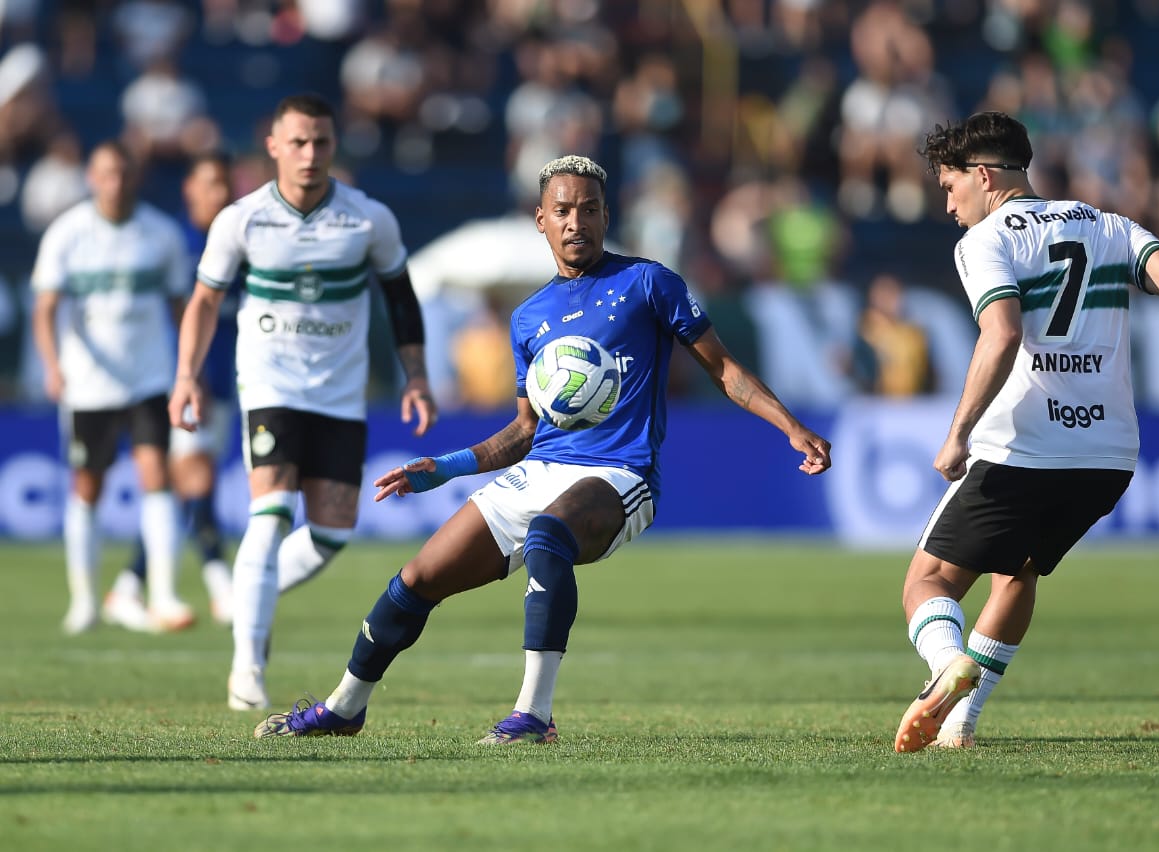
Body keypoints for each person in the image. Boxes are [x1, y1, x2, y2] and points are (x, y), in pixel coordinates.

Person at [252, 154, 833, 742]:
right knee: (415, 579)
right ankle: (344, 709)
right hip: (541, 469)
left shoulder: (649, 283)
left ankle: (533, 715)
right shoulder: (529, 317)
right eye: (562, 211)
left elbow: (726, 370)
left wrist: (790, 426)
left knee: (549, 535)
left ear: (607, 217)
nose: (575, 222)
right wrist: (446, 468)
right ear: (541, 220)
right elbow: (523, 430)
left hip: (620, 474)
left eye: (588, 209)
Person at [893, 112, 1159, 752]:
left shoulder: (987, 240)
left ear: (984, 176)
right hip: (1107, 455)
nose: (948, 203)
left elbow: (1003, 333)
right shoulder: (1105, 224)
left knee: (928, 582)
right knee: (1018, 572)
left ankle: (945, 667)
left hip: (1022, 446)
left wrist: (958, 430)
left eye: (949, 186)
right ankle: (960, 723)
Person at [168, 93, 438, 711]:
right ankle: (247, 667)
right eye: (297, 142)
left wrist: (416, 377)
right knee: (270, 515)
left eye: (320, 141)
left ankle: (247, 593)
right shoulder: (241, 219)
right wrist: (185, 375)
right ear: (272, 146)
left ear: (333, 145)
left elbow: (401, 299)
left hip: (340, 395)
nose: (310, 154)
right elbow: (205, 303)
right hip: (270, 386)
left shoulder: (368, 219)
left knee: (331, 533)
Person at [31, 140, 194, 635]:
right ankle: (84, 601)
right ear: (91, 177)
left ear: (135, 177)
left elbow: (180, 307)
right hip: (89, 384)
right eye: (106, 174)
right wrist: (52, 366)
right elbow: (45, 307)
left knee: (156, 477)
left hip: (149, 377)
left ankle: (163, 594)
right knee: (88, 487)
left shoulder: (160, 234)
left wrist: (188, 370)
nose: (115, 183)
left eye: (123, 174)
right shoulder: (68, 233)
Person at [107, 153, 238, 632]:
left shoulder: (239, 242)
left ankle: (126, 586)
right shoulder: (172, 243)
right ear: (189, 189)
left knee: (188, 488)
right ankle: (221, 584)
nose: (220, 194)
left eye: (225, 184)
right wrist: (183, 373)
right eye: (210, 184)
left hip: (226, 384)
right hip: (182, 385)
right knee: (195, 475)